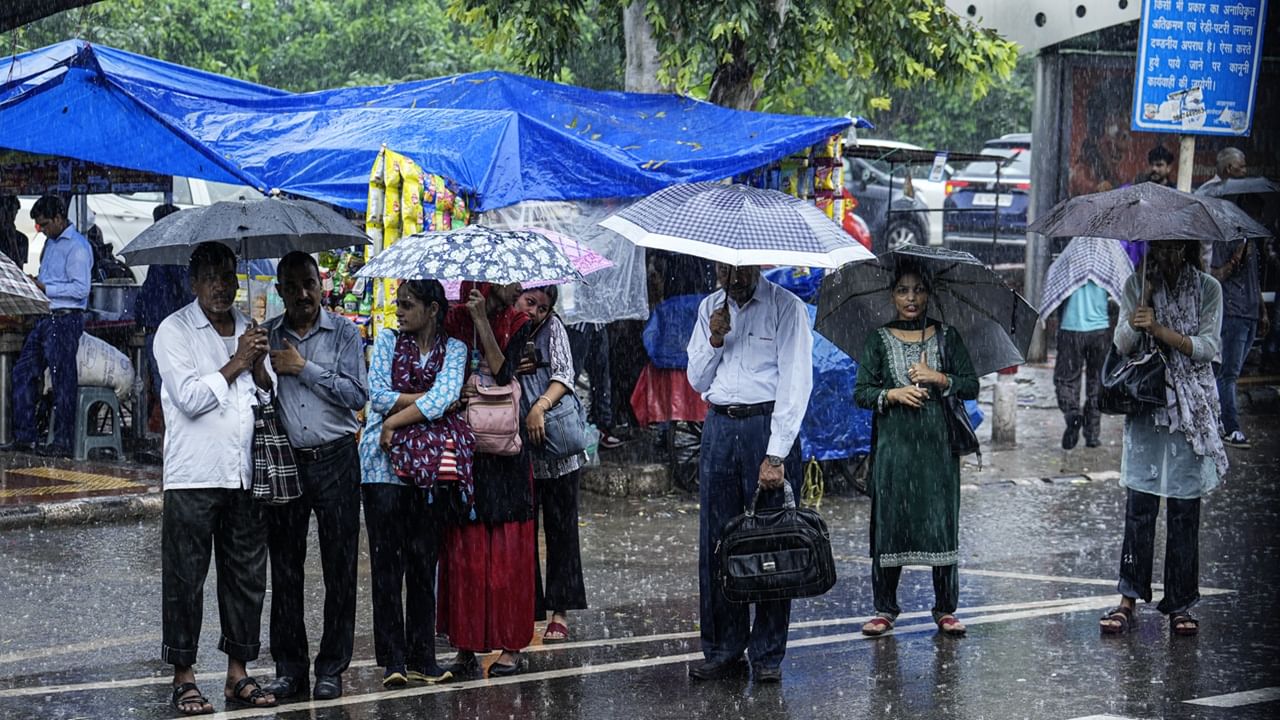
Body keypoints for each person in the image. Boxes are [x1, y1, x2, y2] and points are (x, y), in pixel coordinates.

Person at [153, 241, 276, 714]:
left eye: (228, 275)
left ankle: (237, 674)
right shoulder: (175, 330)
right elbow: (188, 398)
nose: (222, 285)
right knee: (186, 578)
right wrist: (237, 363)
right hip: (193, 474)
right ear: (194, 282)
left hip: (242, 472)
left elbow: (266, 398)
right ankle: (184, 676)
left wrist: (261, 369)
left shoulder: (249, 328)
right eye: (211, 277)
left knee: (245, 577)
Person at [685, 264, 813, 683]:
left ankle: (767, 654)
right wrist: (715, 338)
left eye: (740, 269)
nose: (733, 276)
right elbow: (697, 379)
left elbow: (796, 382)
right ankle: (723, 648)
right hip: (720, 426)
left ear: (756, 264)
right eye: (724, 269)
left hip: (766, 426)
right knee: (717, 542)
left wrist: (776, 453)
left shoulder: (785, 306)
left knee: (772, 545)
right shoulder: (709, 308)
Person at [1099, 240, 1226, 637]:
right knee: (1140, 504)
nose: (1164, 256)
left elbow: (1208, 347)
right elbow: (1121, 345)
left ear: (1185, 249)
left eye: (1172, 248)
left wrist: (1161, 331)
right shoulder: (1137, 285)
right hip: (1148, 404)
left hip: (1191, 410)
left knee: (1184, 511)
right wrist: (1142, 310)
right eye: (1157, 248)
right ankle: (1128, 598)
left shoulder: (1208, 289)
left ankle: (1181, 603)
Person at [259, 252, 368, 701]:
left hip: (337, 458)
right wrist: (260, 367)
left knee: (339, 567)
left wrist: (304, 368)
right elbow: (259, 396)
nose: (304, 294)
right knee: (285, 569)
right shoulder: (267, 336)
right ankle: (289, 668)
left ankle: (331, 667)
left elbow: (357, 395)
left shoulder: (344, 332)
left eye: (310, 284)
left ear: (321, 287)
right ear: (280, 290)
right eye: (294, 286)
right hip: (287, 460)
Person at [853, 264, 979, 640]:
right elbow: (860, 392)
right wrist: (892, 394)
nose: (911, 299)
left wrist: (940, 378)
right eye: (903, 291)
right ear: (892, 296)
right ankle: (885, 608)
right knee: (889, 526)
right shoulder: (877, 340)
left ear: (929, 295)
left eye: (918, 290)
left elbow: (970, 385)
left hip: (937, 454)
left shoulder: (946, 337)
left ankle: (945, 608)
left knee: (941, 525)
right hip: (894, 453)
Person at [359, 279, 470, 688]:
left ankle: (423, 655)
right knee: (388, 565)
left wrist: (393, 419)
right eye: (398, 304)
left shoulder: (455, 349)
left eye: (407, 305)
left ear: (433, 308)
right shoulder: (387, 342)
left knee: (424, 563)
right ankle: (393, 659)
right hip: (379, 466)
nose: (399, 312)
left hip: (431, 469)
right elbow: (379, 394)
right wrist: (422, 399)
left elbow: (444, 396)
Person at [439, 281, 537, 678]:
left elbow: (503, 370)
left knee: (507, 553)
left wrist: (482, 321)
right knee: (466, 550)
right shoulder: (453, 319)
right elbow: (446, 369)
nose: (519, 289)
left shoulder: (519, 322)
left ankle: (511, 644)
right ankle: (466, 645)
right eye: (512, 282)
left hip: (507, 453)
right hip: (467, 450)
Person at [515, 286, 588, 643]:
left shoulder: (553, 329)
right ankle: (526, 609)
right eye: (530, 302)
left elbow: (564, 374)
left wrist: (539, 406)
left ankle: (559, 611)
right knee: (523, 532)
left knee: (562, 530)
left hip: (557, 446)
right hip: (518, 447)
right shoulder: (504, 328)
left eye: (542, 308)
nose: (535, 312)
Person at [0, 196, 92, 457]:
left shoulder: (77, 248)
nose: (42, 230)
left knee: (62, 380)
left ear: (59, 219)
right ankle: (26, 437)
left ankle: (62, 442)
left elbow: (81, 289)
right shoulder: (51, 244)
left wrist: (46, 288)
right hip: (45, 317)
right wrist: (35, 283)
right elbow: (47, 278)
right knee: (22, 372)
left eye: (45, 224)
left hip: (65, 319)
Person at [1209, 195, 1269, 449]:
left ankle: (1218, 419)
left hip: (1251, 312)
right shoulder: (1226, 238)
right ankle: (1231, 428)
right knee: (1228, 374)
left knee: (1232, 373)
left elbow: (1255, 281)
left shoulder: (1253, 240)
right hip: (1233, 312)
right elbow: (1214, 275)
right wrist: (1236, 257)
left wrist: (1262, 311)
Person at [134, 204, 194, 432]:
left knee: (168, 390)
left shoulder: (171, 252)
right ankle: (169, 438)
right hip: (158, 328)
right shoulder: (168, 251)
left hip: (163, 329)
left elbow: (185, 291)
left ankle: (172, 438)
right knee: (165, 389)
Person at [1055, 280, 1114, 449]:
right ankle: (1092, 434)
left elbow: (1057, 296)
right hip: (1100, 330)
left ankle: (1073, 413)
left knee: (1066, 379)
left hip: (1071, 327)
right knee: (1097, 382)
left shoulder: (1069, 265)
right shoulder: (1104, 267)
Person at [0, 194, 28, 268]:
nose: (11, 216)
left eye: (14, 213)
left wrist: (12, 241)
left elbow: (19, 268)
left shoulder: (21, 239)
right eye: (7, 213)